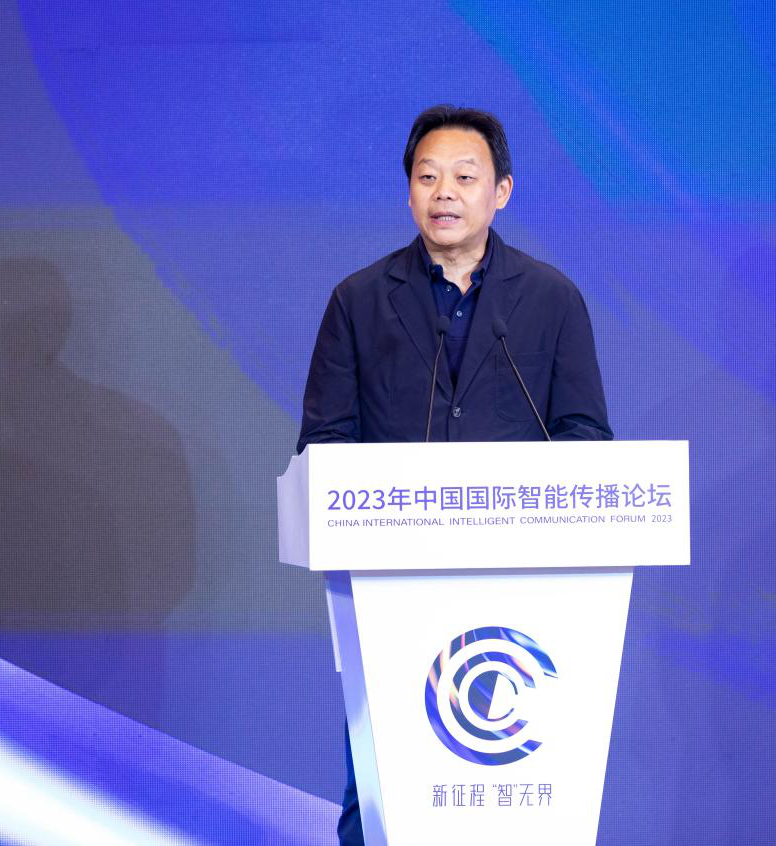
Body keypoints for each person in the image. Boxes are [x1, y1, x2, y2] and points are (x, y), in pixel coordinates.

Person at [296, 105, 612, 845]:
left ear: (502, 191)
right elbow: (323, 443)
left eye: (465, 177)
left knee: (509, 796)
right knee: (381, 795)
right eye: (427, 176)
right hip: (391, 594)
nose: (444, 192)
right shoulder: (358, 301)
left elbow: (585, 436)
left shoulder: (552, 299)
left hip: (523, 598)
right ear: (408, 190)